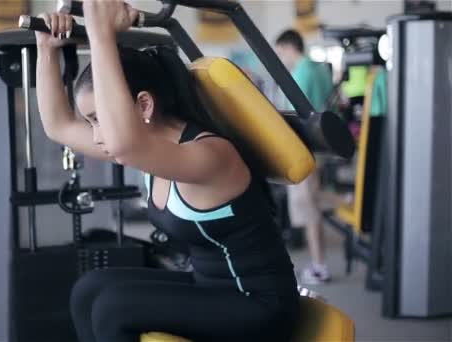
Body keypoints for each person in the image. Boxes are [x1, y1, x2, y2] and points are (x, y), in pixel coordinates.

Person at [35, 2, 300, 341]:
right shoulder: (150, 148)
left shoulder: (210, 155)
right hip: (210, 286)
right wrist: (46, 50)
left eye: (99, 119)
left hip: (260, 305)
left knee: (114, 307)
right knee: (89, 289)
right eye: (91, 122)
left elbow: (121, 143)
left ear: (144, 105)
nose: (97, 135)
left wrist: (102, 36)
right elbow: (59, 126)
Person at [275, 29, 334, 285]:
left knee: (308, 208)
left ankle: (319, 266)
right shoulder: (320, 70)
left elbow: (292, 114)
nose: (280, 57)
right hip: (322, 144)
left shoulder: (300, 73)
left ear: (289, 47)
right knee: (314, 202)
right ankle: (318, 262)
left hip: (305, 147)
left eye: (280, 52)